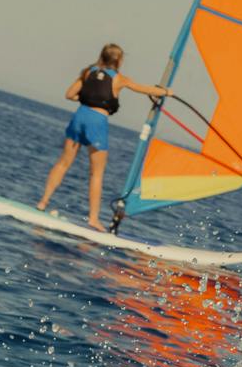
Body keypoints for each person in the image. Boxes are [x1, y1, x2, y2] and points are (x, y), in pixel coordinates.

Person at [37, 44, 168, 231]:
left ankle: (42, 202)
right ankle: (93, 219)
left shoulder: (88, 72)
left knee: (63, 163)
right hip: (97, 121)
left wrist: (87, 99)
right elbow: (144, 89)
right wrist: (166, 92)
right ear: (119, 61)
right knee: (96, 173)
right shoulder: (119, 79)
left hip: (80, 116)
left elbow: (69, 94)